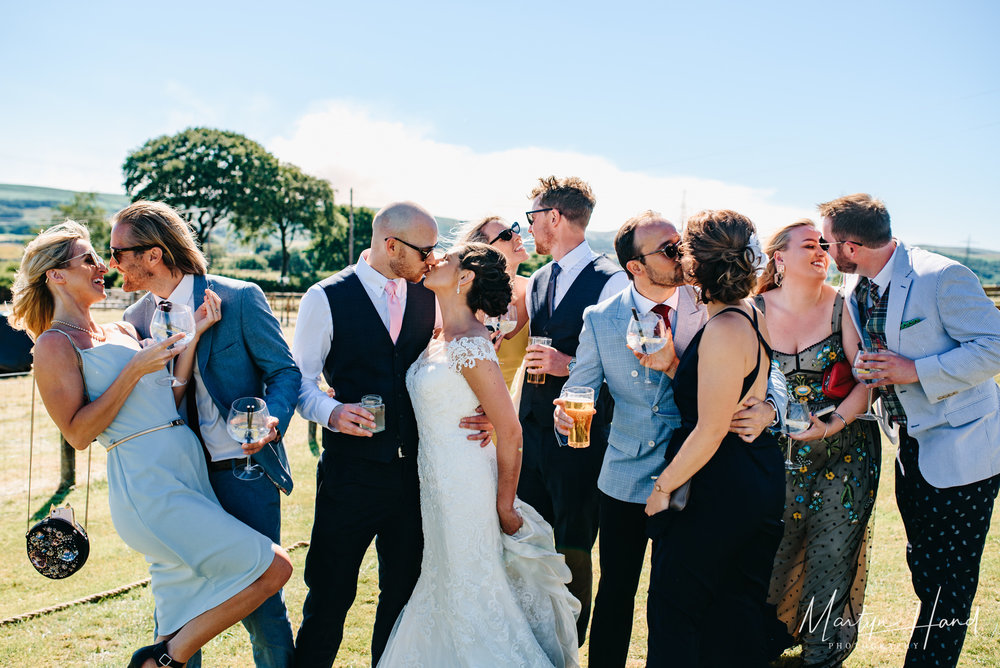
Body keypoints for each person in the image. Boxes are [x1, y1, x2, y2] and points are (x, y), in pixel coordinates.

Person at [11, 221, 292, 668]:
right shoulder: (53, 345)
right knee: (274, 568)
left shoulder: (121, 330)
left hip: (187, 471)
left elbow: (170, 397)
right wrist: (135, 369)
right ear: (56, 276)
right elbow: (78, 434)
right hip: (149, 485)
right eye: (89, 259)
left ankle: (167, 650)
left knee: (176, 611)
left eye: (104, 256)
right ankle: (165, 658)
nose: (103, 265)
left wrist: (194, 334)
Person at [552, 210, 788, 667]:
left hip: (701, 476)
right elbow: (580, 385)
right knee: (617, 592)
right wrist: (567, 412)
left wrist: (770, 408)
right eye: (666, 250)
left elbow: (765, 368)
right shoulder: (601, 318)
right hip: (624, 472)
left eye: (680, 244)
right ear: (635, 267)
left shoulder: (714, 303)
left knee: (683, 599)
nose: (679, 255)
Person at [292, 201, 493, 667]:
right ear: (390, 245)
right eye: (426, 250)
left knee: (401, 598)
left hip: (417, 477)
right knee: (329, 596)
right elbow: (298, 381)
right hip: (350, 475)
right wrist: (332, 411)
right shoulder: (326, 296)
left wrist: (480, 406)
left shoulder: (431, 295)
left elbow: (451, 360)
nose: (433, 259)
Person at [112, 201, 302, 668]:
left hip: (243, 473)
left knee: (261, 600)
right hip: (176, 482)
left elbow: (284, 372)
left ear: (153, 255)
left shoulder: (239, 298)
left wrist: (273, 420)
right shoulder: (135, 321)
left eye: (118, 252)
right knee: (177, 607)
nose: (110, 262)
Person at [378, 242, 580, 667]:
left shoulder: (471, 343)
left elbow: (509, 429)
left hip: (467, 484)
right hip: (436, 482)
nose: (433, 261)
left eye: (445, 259)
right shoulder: (440, 337)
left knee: (471, 584)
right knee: (446, 579)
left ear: (465, 277)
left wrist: (505, 504)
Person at [821, 193, 1000, 667]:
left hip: (965, 449)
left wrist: (914, 370)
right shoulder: (853, 280)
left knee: (950, 580)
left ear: (851, 246)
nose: (823, 249)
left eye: (826, 241)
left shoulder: (941, 277)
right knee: (924, 568)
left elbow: (995, 346)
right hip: (908, 446)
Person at [643, 209, 785, 667]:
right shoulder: (747, 313)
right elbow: (725, 395)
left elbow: (710, 427)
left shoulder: (725, 327)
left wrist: (661, 490)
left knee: (678, 611)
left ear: (692, 264)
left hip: (719, 485)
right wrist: (672, 365)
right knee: (730, 613)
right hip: (747, 474)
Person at [754, 219, 881, 665]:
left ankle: (821, 653)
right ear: (779, 258)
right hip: (776, 454)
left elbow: (867, 380)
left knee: (832, 550)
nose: (822, 251)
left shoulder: (843, 307)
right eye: (810, 244)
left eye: (824, 245)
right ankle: (768, 638)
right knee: (776, 548)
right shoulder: (754, 310)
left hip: (846, 450)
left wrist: (833, 423)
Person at [519, 176, 630, 641]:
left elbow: (626, 359)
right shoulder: (541, 278)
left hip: (581, 435)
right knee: (529, 533)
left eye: (533, 218)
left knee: (574, 539)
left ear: (554, 217)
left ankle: (571, 638)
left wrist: (568, 365)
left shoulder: (613, 279)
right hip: (532, 431)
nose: (530, 228)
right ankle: (532, 628)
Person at [457, 215, 531, 389]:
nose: (517, 236)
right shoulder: (470, 298)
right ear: (485, 250)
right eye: (506, 235)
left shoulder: (533, 290)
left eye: (514, 229)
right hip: (472, 401)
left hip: (515, 407)